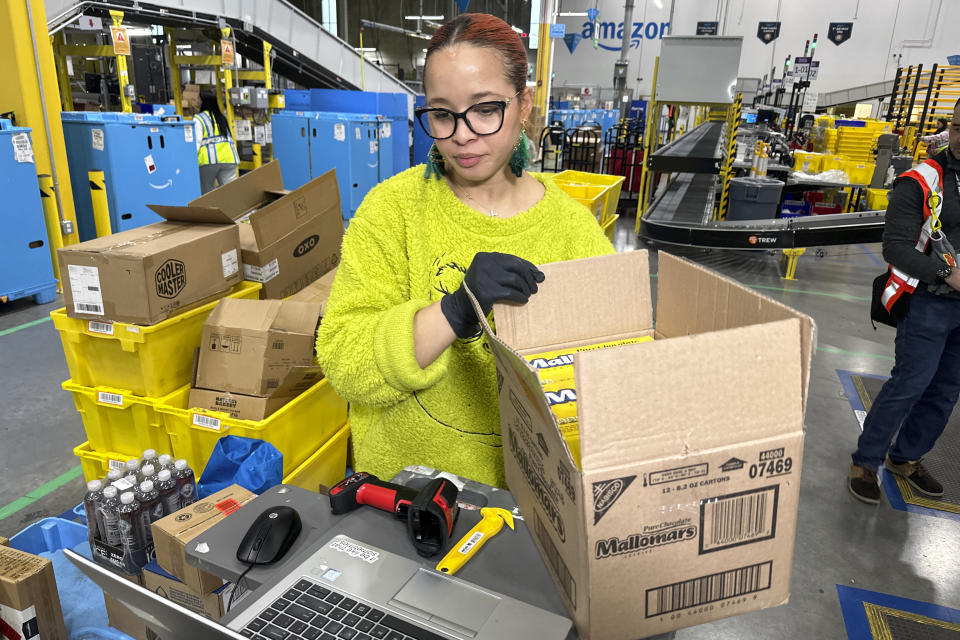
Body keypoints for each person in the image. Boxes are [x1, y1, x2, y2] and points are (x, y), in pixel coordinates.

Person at [316, 13, 614, 488]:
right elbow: (344, 360)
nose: (461, 133)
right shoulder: (393, 211)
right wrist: (453, 312)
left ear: (525, 104)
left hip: (531, 511)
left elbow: (620, 361)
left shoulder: (572, 231)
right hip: (404, 497)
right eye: (441, 112)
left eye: (485, 109)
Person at [849, 99, 960, 504]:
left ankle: (906, 456)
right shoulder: (921, 180)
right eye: (959, 128)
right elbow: (895, 247)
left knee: (947, 390)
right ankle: (866, 460)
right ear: (951, 128)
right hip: (929, 300)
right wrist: (947, 274)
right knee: (911, 383)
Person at [194, 93, 239, 193]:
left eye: (198, 99)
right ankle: (233, 208)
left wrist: (190, 160)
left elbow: (197, 142)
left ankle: (211, 208)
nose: (196, 101)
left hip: (209, 160)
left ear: (203, 102)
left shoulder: (199, 119)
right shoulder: (222, 118)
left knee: (207, 192)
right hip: (229, 158)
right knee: (231, 192)